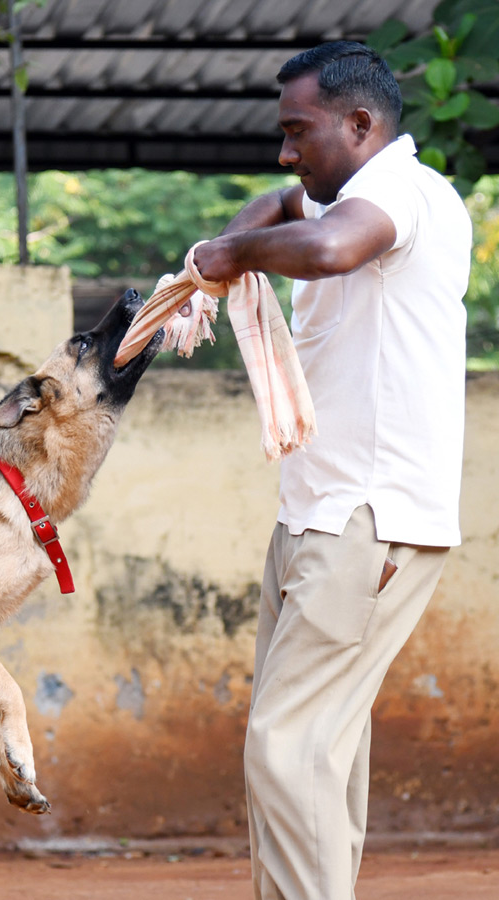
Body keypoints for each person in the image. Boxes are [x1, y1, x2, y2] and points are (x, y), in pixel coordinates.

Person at [191, 41, 472, 900]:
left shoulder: (396, 193)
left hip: (366, 521)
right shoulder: (338, 188)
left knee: (291, 746)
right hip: (316, 516)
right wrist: (216, 255)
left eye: (297, 132)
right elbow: (284, 201)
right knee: (317, 749)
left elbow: (327, 252)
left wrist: (230, 259)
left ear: (361, 124)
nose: (285, 152)